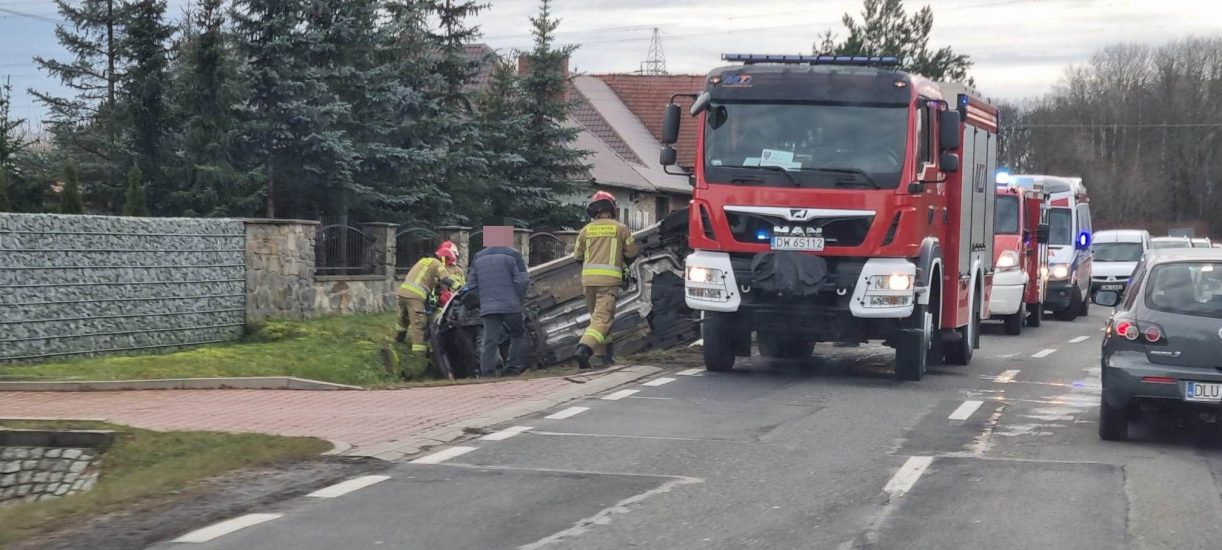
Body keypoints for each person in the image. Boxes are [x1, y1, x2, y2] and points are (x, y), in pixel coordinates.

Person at [572, 191, 638, 369]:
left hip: (588, 281)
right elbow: (632, 253)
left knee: (598, 318)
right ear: (612, 208)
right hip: (608, 283)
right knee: (602, 319)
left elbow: (577, 256)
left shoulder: (585, 230)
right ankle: (583, 349)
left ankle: (604, 356)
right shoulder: (621, 229)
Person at [466, 226, 531, 377]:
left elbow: (471, 285)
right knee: (517, 334)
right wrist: (518, 299)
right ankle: (512, 369)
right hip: (511, 305)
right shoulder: (514, 255)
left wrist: (483, 301)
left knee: (490, 340)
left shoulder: (478, 257)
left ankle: (487, 373)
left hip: (488, 307)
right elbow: (523, 280)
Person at [396, 242, 463, 360]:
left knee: (404, 318)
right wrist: (460, 288)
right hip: (415, 296)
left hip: (402, 293)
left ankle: (398, 340)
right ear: (444, 258)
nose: (449, 264)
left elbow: (427, 281)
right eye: (448, 261)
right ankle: (419, 356)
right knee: (418, 325)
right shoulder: (437, 264)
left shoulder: (424, 261)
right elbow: (446, 279)